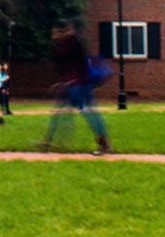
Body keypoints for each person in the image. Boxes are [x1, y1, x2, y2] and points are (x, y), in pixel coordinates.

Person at [41, 26, 114, 155]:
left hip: (79, 86)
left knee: (88, 113)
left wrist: (67, 82)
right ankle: (48, 141)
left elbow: (78, 69)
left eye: (57, 32)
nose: (54, 35)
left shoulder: (71, 46)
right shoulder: (64, 47)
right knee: (64, 111)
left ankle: (104, 143)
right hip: (75, 85)